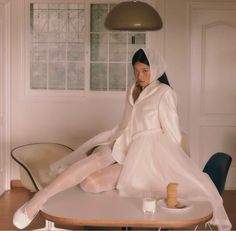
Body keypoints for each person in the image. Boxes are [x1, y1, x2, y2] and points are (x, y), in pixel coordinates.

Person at [13, 48, 231, 231]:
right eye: (136, 71)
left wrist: (163, 163)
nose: (140, 76)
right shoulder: (132, 89)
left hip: (144, 152)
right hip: (120, 142)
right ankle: (38, 200)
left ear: (156, 69)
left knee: (90, 183)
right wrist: (110, 143)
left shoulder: (165, 93)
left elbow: (173, 134)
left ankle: (121, 183)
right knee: (92, 161)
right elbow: (125, 122)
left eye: (145, 71)